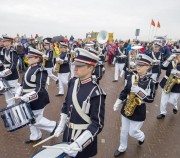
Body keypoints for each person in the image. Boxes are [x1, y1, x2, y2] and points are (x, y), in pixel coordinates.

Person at [54, 48, 106, 158]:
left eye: (80, 66)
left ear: (91, 67)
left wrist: (79, 143)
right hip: (68, 134)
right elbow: (66, 105)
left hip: (83, 140)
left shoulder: (96, 93)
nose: (75, 68)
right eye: (75, 65)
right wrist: (61, 124)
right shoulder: (73, 82)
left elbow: (97, 124)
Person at [113, 54, 156, 157]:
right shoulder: (130, 76)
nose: (138, 67)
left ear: (148, 66)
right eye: (138, 65)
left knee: (132, 132)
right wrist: (118, 101)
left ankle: (141, 137)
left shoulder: (151, 82)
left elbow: (150, 99)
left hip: (139, 109)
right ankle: (122, 147)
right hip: (127, 106)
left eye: (141, 65)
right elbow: (125, 91)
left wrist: (140, 92)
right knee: (123, 130)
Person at [15, 47, 57, 143]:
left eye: (30, 57)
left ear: (37, 58)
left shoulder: (40, 70)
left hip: (37, 99)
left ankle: (53, 126)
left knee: (35, 119)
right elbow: (23, 83)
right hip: (27, 98)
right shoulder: (29, 68)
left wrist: (28, 97)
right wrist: (18, 91)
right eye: (28, 57)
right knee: (30, 118)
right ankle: (35, 135)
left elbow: (40, 88)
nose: (28, 58)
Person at [157, 49, 180, 119]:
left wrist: (178, 73)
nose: (177, 57)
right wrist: (168, 59)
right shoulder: (171, 62)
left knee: (173, 100)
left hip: (177, 84)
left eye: (178, 55)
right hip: (167, 82)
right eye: (176, 55)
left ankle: (175, 106)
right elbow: (163, 67)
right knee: (163, 99)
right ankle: (162, 113)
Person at [0, 35, 19, 106]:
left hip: (12, 75)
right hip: (5, 75)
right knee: (8, 94)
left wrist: (4, 73)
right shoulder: (5, 50)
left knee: (15, 93)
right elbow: (3, 61)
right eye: (3, 41)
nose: (3, 42)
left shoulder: (13, 51)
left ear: (9, 42)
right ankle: (10, 106)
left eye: (5, 41)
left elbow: (13, 65)